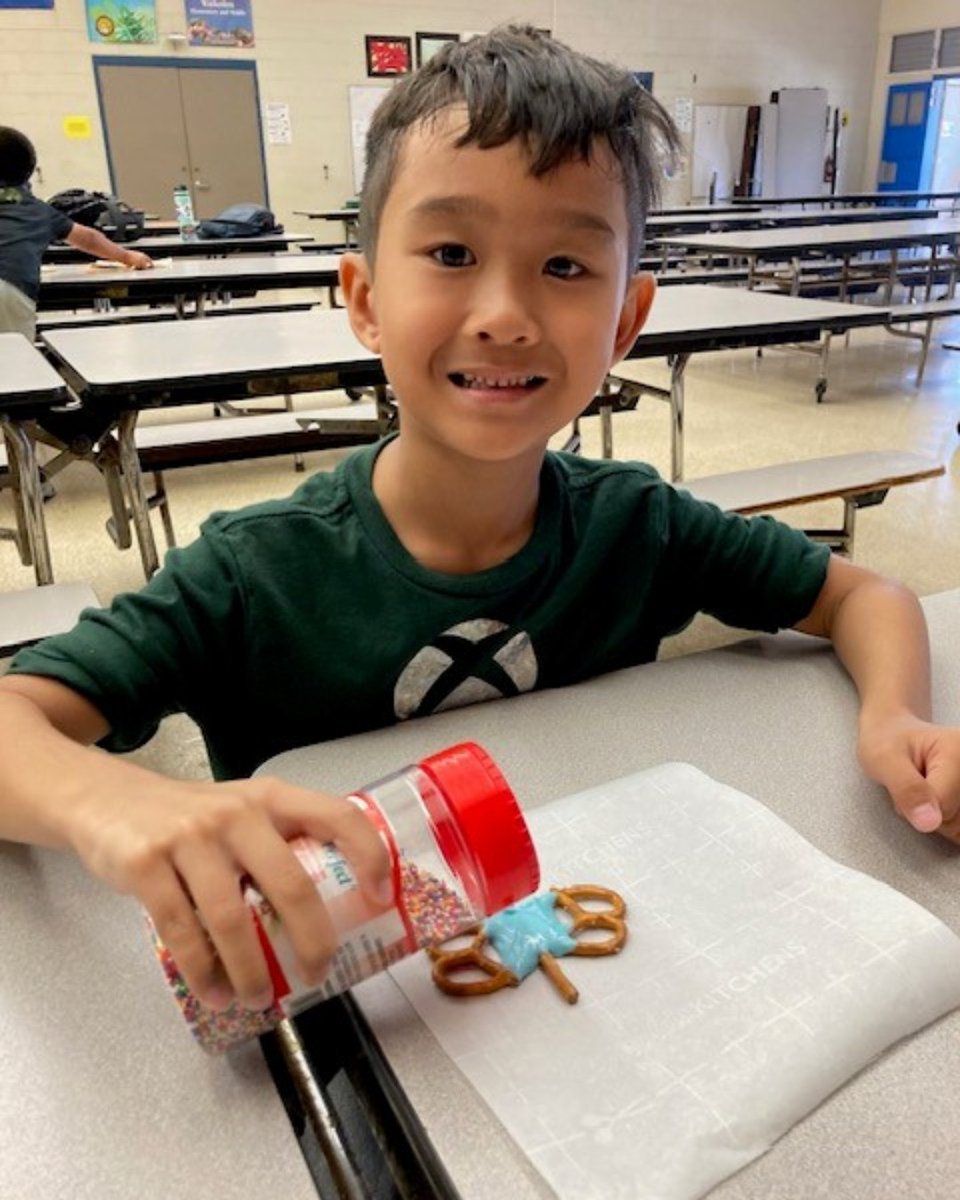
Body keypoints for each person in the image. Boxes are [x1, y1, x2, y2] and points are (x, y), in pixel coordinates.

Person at [1, 26, 958, 1019]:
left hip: (593, 985)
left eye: (566, 267)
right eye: (452, 252)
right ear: (365, 299)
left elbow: (861, 593)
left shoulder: (638, 527)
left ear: (626, 324)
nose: (505, 313)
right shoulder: (253, 575)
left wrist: (901, 719)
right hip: (356, 1006)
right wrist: (117, 805)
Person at [0, 126, 153, 340]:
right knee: (13, 359)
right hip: (9, 288)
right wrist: (127, 256)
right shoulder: (35, 209)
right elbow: (87, 238)